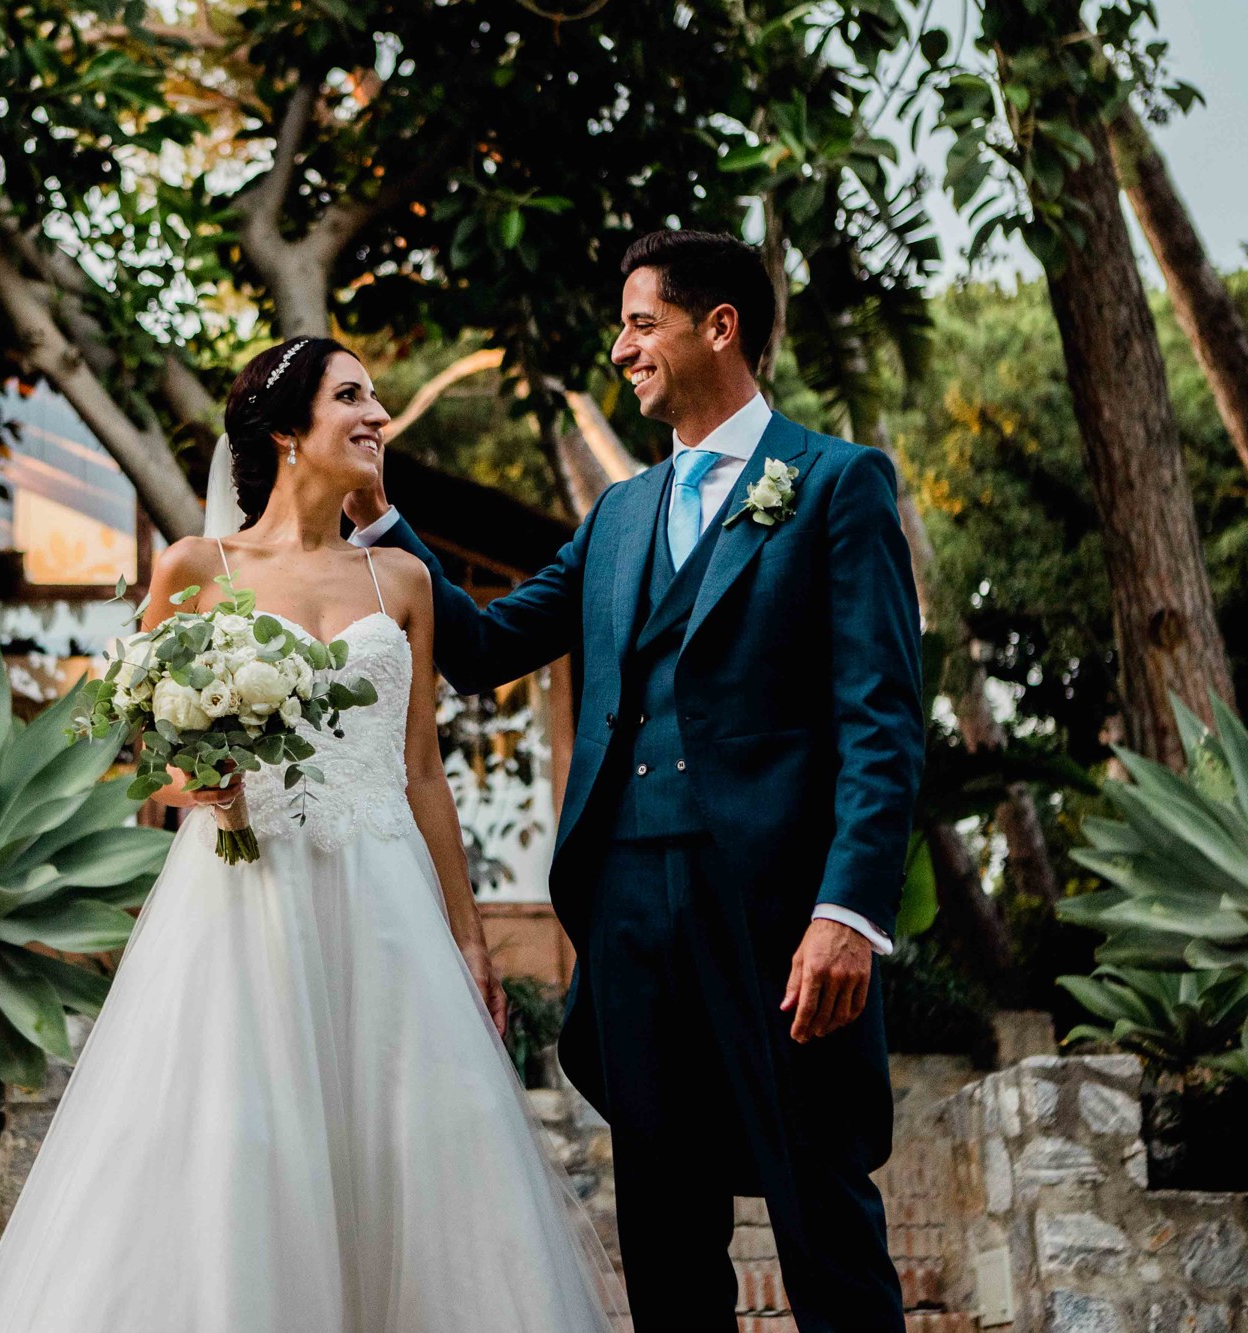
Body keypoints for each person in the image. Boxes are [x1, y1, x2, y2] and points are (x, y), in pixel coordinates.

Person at [0, 337, 619, 1333]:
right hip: (245, 897)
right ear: (285, 433)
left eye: (375, 397)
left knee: (412, 1149)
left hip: (386, 903)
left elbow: (423, 772)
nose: (377, 416)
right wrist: (201, 785)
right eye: (351, 396)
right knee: (244, 1148)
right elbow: (149, 752)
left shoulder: (401, 579)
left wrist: (470, 934)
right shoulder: (195, 566)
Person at [345, 229, 925, 1332]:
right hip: (625, 912)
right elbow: (482, 645)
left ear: (721, 328)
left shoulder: (837, 482)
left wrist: (846, 910)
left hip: (774, 914)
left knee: (822, 1218)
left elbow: (881, 716)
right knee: (663, 1233)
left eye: (641, 323)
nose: (620, 349)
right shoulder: (618, 515)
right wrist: (377, 516)